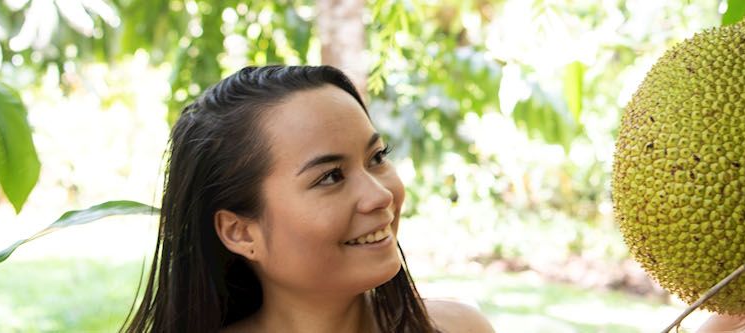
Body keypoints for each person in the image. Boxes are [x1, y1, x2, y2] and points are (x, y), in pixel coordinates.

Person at [124, 65, 493, 332]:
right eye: (331, 177)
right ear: (240, 232)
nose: (379, 195)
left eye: (377, 157)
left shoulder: (461, 327)